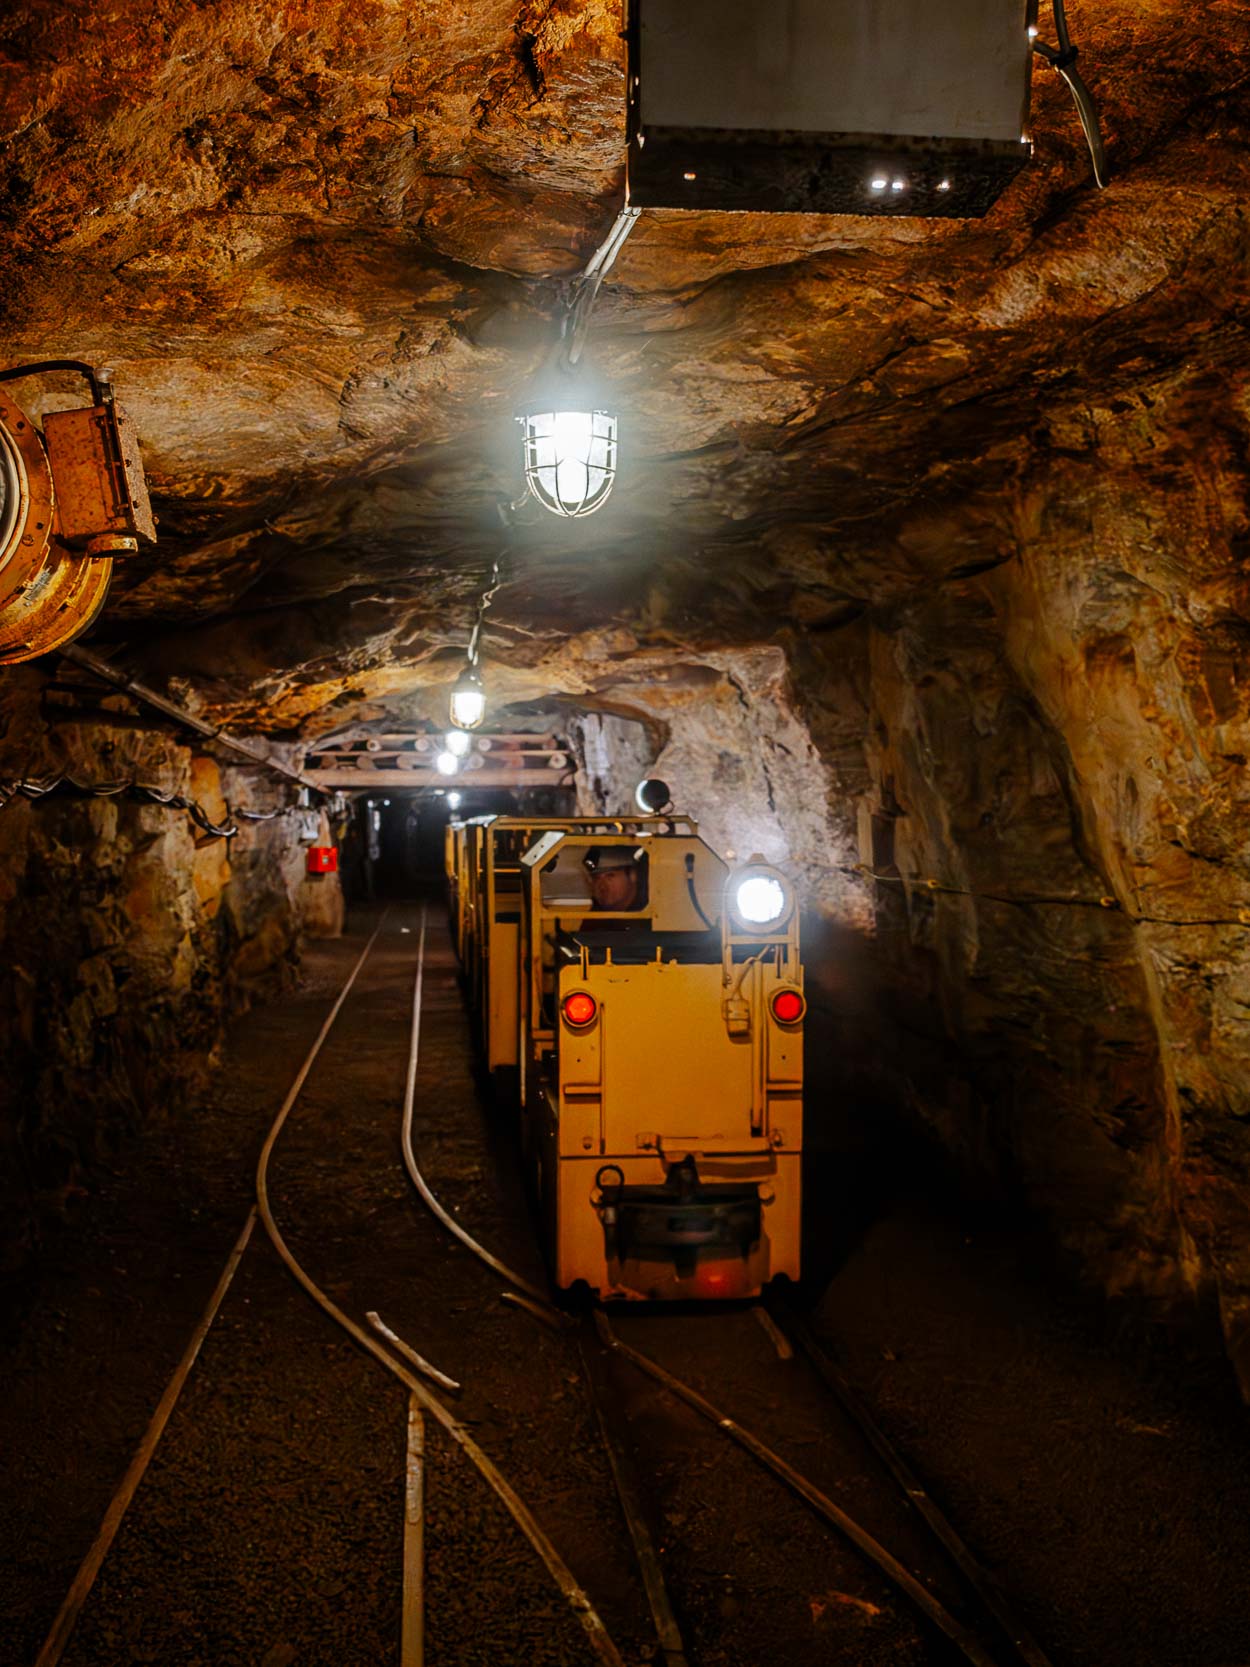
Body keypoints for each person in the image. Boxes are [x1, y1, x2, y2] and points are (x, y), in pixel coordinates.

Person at [584, 846, 643, 913]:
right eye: (596, 878)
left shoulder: (648, 910)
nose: (602, 886)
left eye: (610, 876)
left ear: (632, 875)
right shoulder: (597, 913)